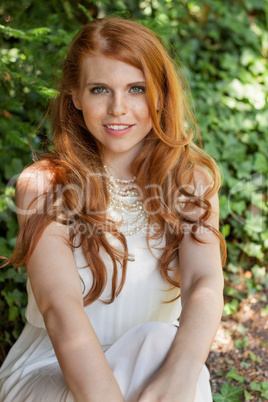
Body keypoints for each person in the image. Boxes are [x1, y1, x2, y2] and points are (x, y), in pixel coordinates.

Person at [0, 17, 226, 402]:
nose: (117, 108)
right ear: (74, 95)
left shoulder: (191, 181)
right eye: (100, 89)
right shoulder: (44, 185)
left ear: (160, 94)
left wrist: (180, 375)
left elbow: (203, 283)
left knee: (160, 345)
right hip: (52, 371)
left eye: (136, 89)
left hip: (155, 365)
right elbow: (59, 307)